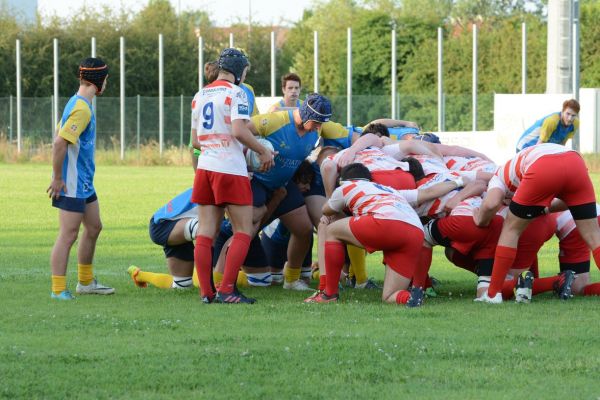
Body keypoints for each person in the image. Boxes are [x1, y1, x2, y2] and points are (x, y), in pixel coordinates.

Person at [306, 163, 466, 306]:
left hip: (384, 223)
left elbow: (326, 210)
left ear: (342, 180)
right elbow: (428, 192)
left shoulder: (346, 187)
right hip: (415, 232)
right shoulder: (391, 191)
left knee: (331, 230)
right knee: (390, 295)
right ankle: (410, 298)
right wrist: (458, 182)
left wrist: (336, 208)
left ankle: (328, 293)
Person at [191, 48, 274, 304]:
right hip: (229, 168)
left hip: (205, 167)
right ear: (239, 72)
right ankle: (227, 289)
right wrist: (262, 152)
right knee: (242, 230)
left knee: (205, 233)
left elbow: (195, 140)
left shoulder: (200, 94)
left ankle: (207, 292)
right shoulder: (236, 93)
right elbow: (238, 130)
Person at [473, 143, 600, 304]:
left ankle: (492, 295)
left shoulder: (498, 177)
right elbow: (571, 201)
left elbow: (490, 204)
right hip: (575, 161)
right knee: (594, 237)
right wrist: (544, 209)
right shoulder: (517, 166)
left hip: (542, 166)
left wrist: (479, 218)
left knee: (510, 229)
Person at [248, 93, 344, 291]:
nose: (319, 128)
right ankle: (222, 279)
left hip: (283, 185)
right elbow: (240, 130)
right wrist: (255, 155)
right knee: (245, 231)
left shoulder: (317, 129)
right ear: (306, 115)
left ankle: (291, 280)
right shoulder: (275, 121)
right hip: (257, 182)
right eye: (317, 123)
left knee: (304, 229)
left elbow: (354, 135)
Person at [46, 57, 113, 300]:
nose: (106, 83)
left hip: (83, 181)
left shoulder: (81, 103)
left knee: (94, 226)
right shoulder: (81, 108)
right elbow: (59, 143)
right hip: (71, 182)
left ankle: (85, 282)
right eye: (106, 78)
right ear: (99, 80)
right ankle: (57, 289)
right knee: (68, 234)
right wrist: (57, 178)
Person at [128, 188, 199, 290]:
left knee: (182, 286)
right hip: (165, 224)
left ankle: (140, 276)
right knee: (207, 228)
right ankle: (209, 292)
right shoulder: (221, 184)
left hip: (184, 224)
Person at [515, 99, 580, 152]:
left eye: (573, 115)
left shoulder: (575, 124)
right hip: (525, 147)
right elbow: (539, 147)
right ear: (562, 111)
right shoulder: (552, 121)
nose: (570, 118)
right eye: (567, 114)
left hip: (539, 148)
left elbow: (561, 145)